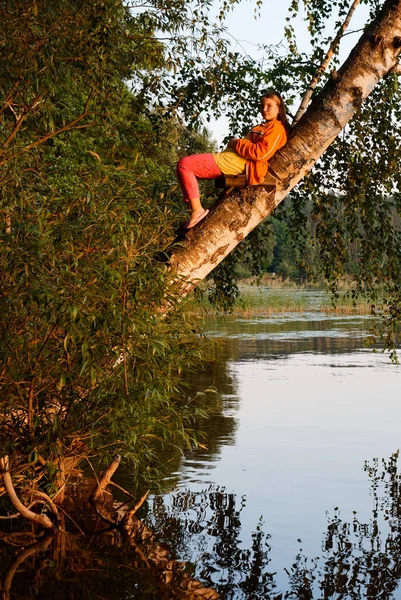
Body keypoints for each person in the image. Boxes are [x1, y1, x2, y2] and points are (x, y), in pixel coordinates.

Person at [176, 91, 290, 228]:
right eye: (262, 106)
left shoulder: (276, 128)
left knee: (185, 165)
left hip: (241, 164)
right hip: (232, 159)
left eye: (269, 106)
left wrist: (237, 142)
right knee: (187, 172)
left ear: (279, 108)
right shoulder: (263, 126)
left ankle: (197, 211)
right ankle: (194, 212)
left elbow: (261, 154)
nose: (264, 109)